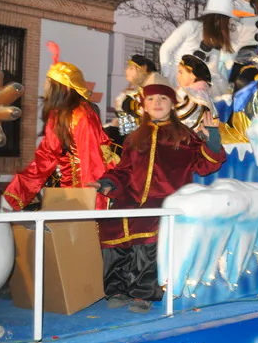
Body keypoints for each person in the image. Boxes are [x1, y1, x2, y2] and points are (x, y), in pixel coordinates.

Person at [93, 77, 227, 313]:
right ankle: (116, 289)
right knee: (112, 225)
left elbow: (206, 165)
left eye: (163, 98)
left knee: (148, 230)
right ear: (144, 105)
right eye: (151, 98)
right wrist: (107, 182)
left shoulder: (184, 135)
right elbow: (123, 171)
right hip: (129, 198)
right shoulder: (134, 137)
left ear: (172, 104)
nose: (157, 103)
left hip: (164, 199)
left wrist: (213, 138)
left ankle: (142, 293)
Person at [2, 44, 118, 211]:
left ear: (60, 87)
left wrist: (92, 208)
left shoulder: (81, 116)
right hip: (69, 193)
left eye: (48, 81)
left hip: (85, 194)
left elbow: (91, 162)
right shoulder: (59, 116)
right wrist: (14, 194)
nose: (44, 86)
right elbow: (45, 158)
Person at [159, 0, 241, 100]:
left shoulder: (216, 40)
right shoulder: (191, 26)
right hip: (179, 77)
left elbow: (212, 69)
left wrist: (215, 88)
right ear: (218, 19)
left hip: (197, 86)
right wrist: (167, 76)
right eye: (227, 20)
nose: (229, 25)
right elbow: (166, 49)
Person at [107, 54, 159, 147]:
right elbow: (127, 128)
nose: (126, 70)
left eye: (131, 68)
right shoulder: (131, 94)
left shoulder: (156, 92)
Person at [174, 51, 218, 134]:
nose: (177, 76)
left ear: (192, 75)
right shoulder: (205, 96)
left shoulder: (187, 95)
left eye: (181, 72)